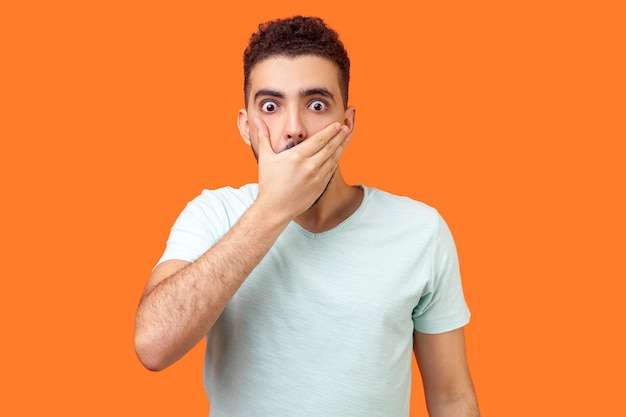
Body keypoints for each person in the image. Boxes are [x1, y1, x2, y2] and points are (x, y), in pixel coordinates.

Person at [134, 15, 479, 417]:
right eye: (270, 106)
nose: (294, 128)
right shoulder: (213, 215)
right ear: (246, 127)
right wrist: (273, 209)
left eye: (316, 105)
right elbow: (152, 346)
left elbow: (452, 395)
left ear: (346, 124)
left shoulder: (420, 231)